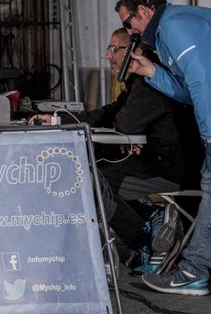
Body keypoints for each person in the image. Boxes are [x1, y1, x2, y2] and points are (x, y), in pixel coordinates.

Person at [118, 0, 211, 295]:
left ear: (144, 10)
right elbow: (187, 91)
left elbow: (202, 82)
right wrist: (153, 71)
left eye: (129, 23)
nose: (130, 32)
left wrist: (209, 136)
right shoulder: (169, 34)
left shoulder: (174, 24)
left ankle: (193, 271)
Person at [29, 27, 200, 266]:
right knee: (98, 175)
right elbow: (112, 114)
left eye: (113, 48)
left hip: (171, 169)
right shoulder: (138, 84)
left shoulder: (150, 83)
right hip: (158, 161)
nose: (108, 56)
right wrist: (59, 120)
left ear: (134, 51)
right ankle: (152, 223)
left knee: (92, 183)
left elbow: (125, 123)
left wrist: (128, 133)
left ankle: (146, 239)